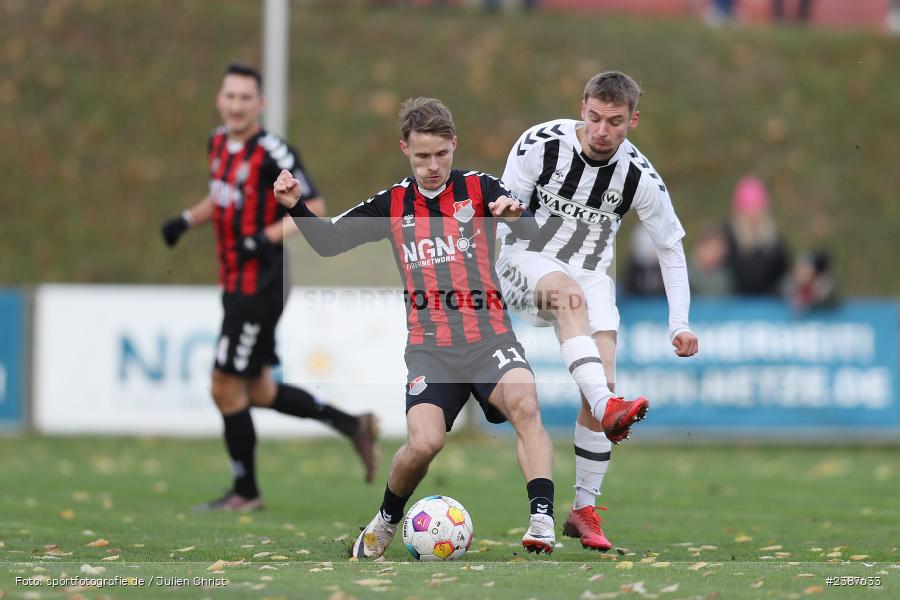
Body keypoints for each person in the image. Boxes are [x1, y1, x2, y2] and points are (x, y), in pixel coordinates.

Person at [274, 97, 560, 557]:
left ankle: (542, 519)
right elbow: (329, 241)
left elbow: (538, 234)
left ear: (454, 145)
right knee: (424, 443)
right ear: (404, 148)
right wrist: (295, 206)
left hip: (491, 339)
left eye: (441, 154)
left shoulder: (479, 188)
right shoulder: (393, 203)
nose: (433, 166)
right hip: (432, 350)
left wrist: (517, 218)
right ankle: (388, 517)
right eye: (422, 156)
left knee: (525, 404)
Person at [160, 63, 379, 512]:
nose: (237, 105)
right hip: (233, 280)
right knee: (255, 390)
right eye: (230, 96)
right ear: (220, 100)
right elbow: (221, 196)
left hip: (262, 282)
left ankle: (246, 491)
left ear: (260, 104)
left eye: (246, 98)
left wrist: (266, 237)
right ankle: (353, 424)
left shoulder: (273, 151)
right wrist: (186, 220)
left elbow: (314, 203)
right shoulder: (218, 143)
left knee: (224, 386)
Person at [496, 71, 699, 552]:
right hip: (524, 260)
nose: (603, 129)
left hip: (590, 276)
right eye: (594, 117)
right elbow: (504, 205)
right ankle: (612, 410)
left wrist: (680, 323)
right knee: (570, 296)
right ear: (582, 107)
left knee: (600, 384)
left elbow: (670, 247)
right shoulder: (539, 144)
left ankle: (583, 510)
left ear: (633, 120)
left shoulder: (639, 175)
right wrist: (506, 212)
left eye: (615, 121)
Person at [722, 175, 789, 296]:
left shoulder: (773, 238)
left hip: (769, 301)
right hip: (734, 301)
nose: (753, 215)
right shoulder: (727, 235)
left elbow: (782, 270)